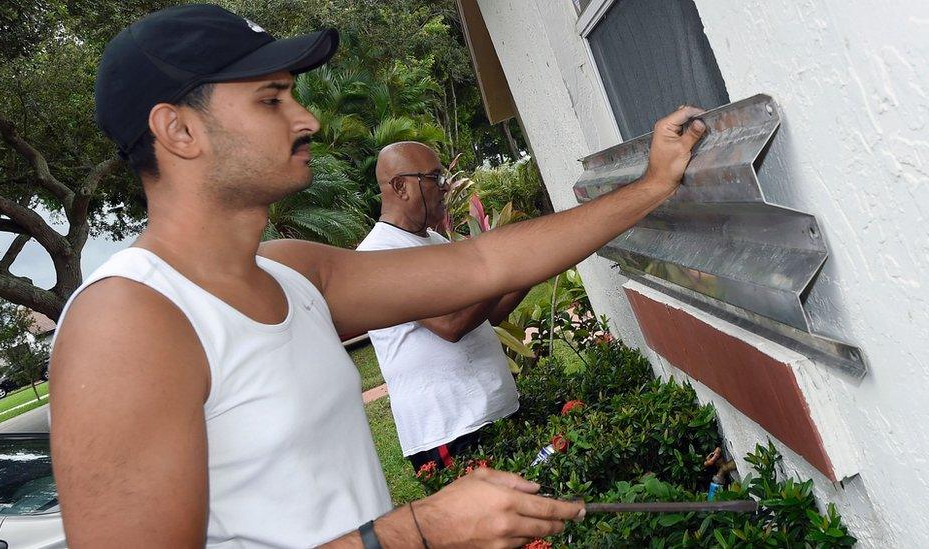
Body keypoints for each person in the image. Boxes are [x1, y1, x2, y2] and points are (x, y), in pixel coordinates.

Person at [49, 4, 706, 548]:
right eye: (271, 98)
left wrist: (650, 187)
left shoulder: (290, 271)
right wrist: (420, 528)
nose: (305, 118)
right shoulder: (128, 322)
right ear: (179, 130)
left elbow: (482, 264)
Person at [357, 142, 528, 473]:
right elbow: (451, 324)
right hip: (449, 430)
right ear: (400, 186)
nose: (446, 185)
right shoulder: (377, 256)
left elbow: (486, 316)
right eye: (435, 177)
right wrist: (505, 269)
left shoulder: (435, 243)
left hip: (493, 411)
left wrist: (530, 270)